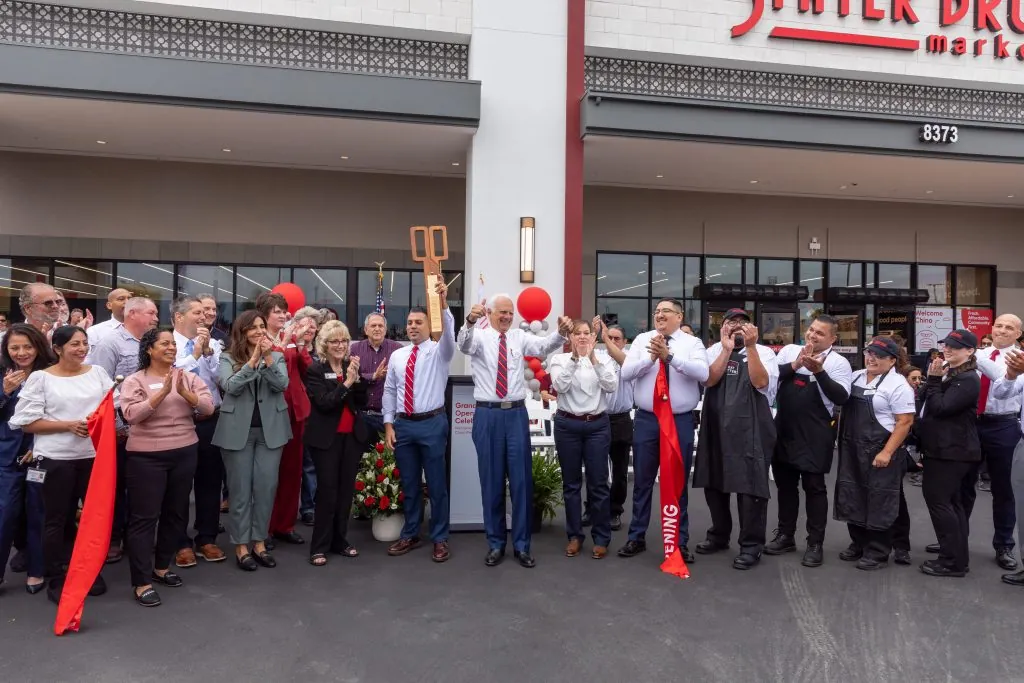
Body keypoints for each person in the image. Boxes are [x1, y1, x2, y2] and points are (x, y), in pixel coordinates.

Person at [458, 294, 570, 568]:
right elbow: (463, 344)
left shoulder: (519, 337)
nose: (507, 317)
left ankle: (522, 545)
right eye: (502, 312)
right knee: (491, 483)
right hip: (487, 415)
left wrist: (561, 333)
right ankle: (495, 543)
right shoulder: (479, 336)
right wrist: (470, 320)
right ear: (490, 313)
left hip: (516, 415)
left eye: (510, 313)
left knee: (521, 482)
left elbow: (543, 347)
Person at [11, 325, 113, 603]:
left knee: (93, 519)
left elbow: (109, 410)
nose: (81, 349)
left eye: (84, 343)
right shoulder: (42, 379)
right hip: (55, 460)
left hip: (94, 459)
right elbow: (26, 423)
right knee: (56, 520)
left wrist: (98, 422)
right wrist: (69, 426)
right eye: (74, 344)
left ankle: (89, 571)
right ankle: (57, 575)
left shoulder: (98, 374)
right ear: (57, 348)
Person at [120, 328, 214, 606]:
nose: (171, 348)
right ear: (149, 349)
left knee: (176, 513)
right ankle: (141, 581)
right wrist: (161, 394)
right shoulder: (134, 380)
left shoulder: (187, 377)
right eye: (164, 344)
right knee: (144, 518)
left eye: (173, 344)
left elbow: (208, 407)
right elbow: (131, 415)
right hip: (145, 457)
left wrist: (186, 394)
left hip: (184, 452)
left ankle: (161, 567)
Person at [617, 299, 707, 562]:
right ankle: (636, 537)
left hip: (679, 420)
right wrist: (651, 358)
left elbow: (702, 373)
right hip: (647, 419)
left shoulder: (692, 344)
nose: (659, 315)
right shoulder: (643, 340)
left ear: (679, 316)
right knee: (643, 481)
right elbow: (626, 373)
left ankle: (679, 541)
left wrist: (672, 358)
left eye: (665, 311)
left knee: (677, 482)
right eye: (656, 312)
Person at [693, 308, 778, 570]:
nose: (736, 326)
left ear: (751, 328)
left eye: (742, 322)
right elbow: (709, 380)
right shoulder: (713, 350)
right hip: (716, 426)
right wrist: (726, 349)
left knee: (749, 486)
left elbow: (761, 382)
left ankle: (752, 545)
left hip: (750, 428)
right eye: (731, 322)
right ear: (723, 326)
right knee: (714, 482)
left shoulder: (763, 352)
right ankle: (719, 535)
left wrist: (750, 347)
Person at [766, 314, 851, 568]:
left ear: (833, 338)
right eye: (812, 330)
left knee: (814, 488)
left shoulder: (839, 363)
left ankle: (815, 543)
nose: (813, 335)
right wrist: (795, 364)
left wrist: (820, 372)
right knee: (785, 486)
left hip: (816, 433)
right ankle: (785, 535)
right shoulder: (789, 350)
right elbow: (770, 378)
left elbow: (842, 397)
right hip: (784, 429)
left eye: (820, 333)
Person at [213, 311, 291, 571]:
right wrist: (252, 362)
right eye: (253, 327)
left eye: (261, 326)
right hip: (237, 433)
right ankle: (241, 545)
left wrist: (267, 358)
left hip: (271, 432)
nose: (259, 331)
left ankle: (259, 541)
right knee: (240, 491)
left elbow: (282, 385)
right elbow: (230, 386)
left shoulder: (277, 357)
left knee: (266, 488)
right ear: (242, 331)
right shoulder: (226, 358)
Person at [384, 285, 456, 562]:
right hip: (404, 427)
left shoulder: (440, 352)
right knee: (410, 484)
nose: (413, 326)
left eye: (419, 322)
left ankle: (439, 538)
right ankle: (411, 533)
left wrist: (445, 306)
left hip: (432, 424)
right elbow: (390, 391)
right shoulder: (398, 356)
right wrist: (389, 425)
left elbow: (450, 337)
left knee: (436, 485)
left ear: (429, 325)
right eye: (410, 322)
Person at [834, 336, 916, 571]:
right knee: (853, 494)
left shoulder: (898, 385)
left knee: (881, 499)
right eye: (869, 353)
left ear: (892, 360)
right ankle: (858, 543)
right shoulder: (856, 376)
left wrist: (887, 452)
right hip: (853, 449)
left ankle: (878, 551)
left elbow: (904, 422)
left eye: (878, 356)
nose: (871, 359)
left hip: (881, 450)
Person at [87, 296, 159, 564]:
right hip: (120, 427)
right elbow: (101, 386)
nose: (155, 317)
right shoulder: (109, 343)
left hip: (148, 425)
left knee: (141, 485)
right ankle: (114, 536)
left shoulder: (151, 343)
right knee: (116, 486)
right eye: (151, 313)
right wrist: (117, 425)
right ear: (133, 314)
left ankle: (135, 535)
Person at [547, 319, 618, 559]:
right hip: (568, 425)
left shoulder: (604, 359)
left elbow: (611, 385)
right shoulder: (559, 360)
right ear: (570, 338)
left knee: (598, 483)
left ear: (593, 337)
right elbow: (560, 386)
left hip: (597, 425)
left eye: (586, 333)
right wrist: (576, 359)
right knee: (571, 484)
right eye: (577, 333)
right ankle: (575, 536)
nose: (582, 337)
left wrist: (594, 360)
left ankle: (601, 537)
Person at [916, 329, 981, 578]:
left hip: (953, 451)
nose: (948, 349)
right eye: (947, 344)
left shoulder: (967, 379)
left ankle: (952, 561)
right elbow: (922, 401)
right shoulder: (949, 373)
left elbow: (941, 408)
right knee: (951, 505)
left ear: (970, 351)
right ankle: (954, 555)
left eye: (956, 346)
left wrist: (933, 381)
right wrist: (933, 379)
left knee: (941, 503)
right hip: (942, 448)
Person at [303, 320, 367, 567]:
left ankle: (340, 541)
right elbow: (325, 403)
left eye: (344, 340)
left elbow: (361, 401)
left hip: (351, 437)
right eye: (335, 341)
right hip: (325, 440)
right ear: (324, 344)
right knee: (327, 492)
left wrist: (358, 380)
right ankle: (319, 546)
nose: (340, 345)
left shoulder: (351, 366)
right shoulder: (316, 370)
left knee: (345, 492)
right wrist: (348, 383)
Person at [170, 296, 226, 567]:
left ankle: (207, 537)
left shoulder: (213, 344)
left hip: (211, 420)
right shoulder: (167, 344)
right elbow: (172, 377)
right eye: (197, 313)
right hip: (179, 421)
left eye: (205, 313)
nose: (203, 317)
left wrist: (208, 354)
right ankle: (180, 541)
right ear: (179, 317)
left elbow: (221, 379)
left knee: (210, 482)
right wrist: (193, 355)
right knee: (180, 485)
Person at [965, 313, 1022, 571]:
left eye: (1009, 327)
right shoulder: (979, 354)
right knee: (963, 483)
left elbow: (1005, 386)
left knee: (1004, 489)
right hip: (972, 423)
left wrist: (1009, 373)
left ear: (1018, 334)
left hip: (1005, 425)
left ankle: (1004, 545)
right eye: (998, 325)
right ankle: (955, 538)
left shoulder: (1020, 360)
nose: (1002, 330)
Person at [0, 324, 53, 595]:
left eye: (27, 346)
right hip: (7, 457)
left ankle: (36, 569)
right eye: (15, 347)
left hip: (40, 454)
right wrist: (5, 392)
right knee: (5, 513)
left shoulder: (51, 373)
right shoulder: (3, 374)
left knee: (38, 513)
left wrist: (39, 443)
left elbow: (58, 411)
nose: (21, 353)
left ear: (38, 346)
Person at [257, 292, 313, 548]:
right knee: (268, 473)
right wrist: (287, 341)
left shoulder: (290, 338)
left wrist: (301, 347)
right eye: (277, 311)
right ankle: (264, 527)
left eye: (284, 311)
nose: (283, 315)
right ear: (265, 315)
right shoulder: (259, 337)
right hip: (271, 410)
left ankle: (285, 525)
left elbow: (305, 370)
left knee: (292, 471)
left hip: (295, 410)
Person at [595, 320, 633, 532]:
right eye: (608, 337)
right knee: (595, 468)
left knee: (619, 470)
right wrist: (594, 333)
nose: (611, 341)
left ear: (624, 341)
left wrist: (606, 340)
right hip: (598, 419)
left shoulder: (630, 358)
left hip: (621, 419)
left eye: (616, 338)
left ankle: (615, 510)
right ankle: (592, 508)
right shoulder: (598, 356)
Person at [993, 346, 1024, 586]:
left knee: (1010, 496)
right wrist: (1012, 374)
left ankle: (1006, 546)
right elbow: (1002, 393)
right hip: (1021, 441)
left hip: (1009, 431)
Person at [350, 312, 403, 447]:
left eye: (380, 326)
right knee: (362, 461)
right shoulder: (355, 349)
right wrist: (373, 376)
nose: (377, 328)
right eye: (373, 325)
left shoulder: (397, 350)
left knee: (388, 462)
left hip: (388, 418)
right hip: (363, 417)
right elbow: (350, 377)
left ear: (385, 330)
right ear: (366, 330)